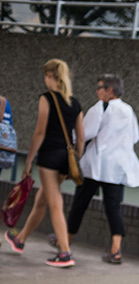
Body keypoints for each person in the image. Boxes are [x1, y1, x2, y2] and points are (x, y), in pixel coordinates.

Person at [58, 74, 139, 264]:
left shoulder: (101, 107)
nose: (96, 91)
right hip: (117, 168)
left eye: (99, 87)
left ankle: (65, 242)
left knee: (80, 203)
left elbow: (85, 132)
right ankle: (116, 250)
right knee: (113, 207)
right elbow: (135, 137)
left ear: (110, 90)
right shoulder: (128, 110)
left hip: (96, 164)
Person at [4, 59, 84, 267]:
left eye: (45, 76)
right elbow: (81, 139)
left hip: (49, 157)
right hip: (66, 159)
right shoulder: (75, 104)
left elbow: (40, 132)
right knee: (42, 200)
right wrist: (75, 162)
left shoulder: (46, 98)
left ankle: (65, 253)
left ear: (50, 76)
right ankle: (20, 239)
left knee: (55, 204)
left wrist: (29, 159)